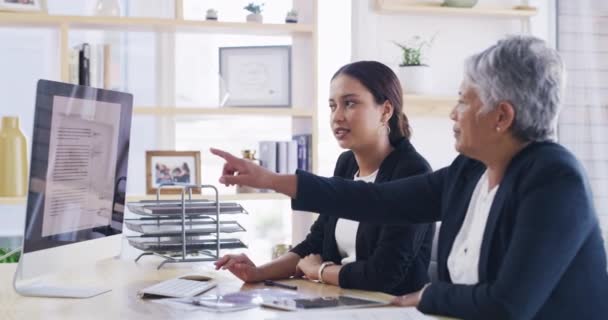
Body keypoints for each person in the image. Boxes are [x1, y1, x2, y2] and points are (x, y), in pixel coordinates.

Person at [211, 36, 608, 319]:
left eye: (463, 101)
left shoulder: (555, 180)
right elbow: (374, 200)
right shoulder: (469, 172)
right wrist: (270, 179)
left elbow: (507, 305)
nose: (453, 114)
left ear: (502, 117)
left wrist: (426, 296)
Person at [214, 61, 435, 295]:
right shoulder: (347, 164)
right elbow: (316, 242)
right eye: (332, 106)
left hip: (392, 310)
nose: (337, 116)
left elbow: (384, 275)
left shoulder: (412, 171)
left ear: (385, 110)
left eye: (350, 103)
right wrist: (258, 272)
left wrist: (319, 271)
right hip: (344, 301)